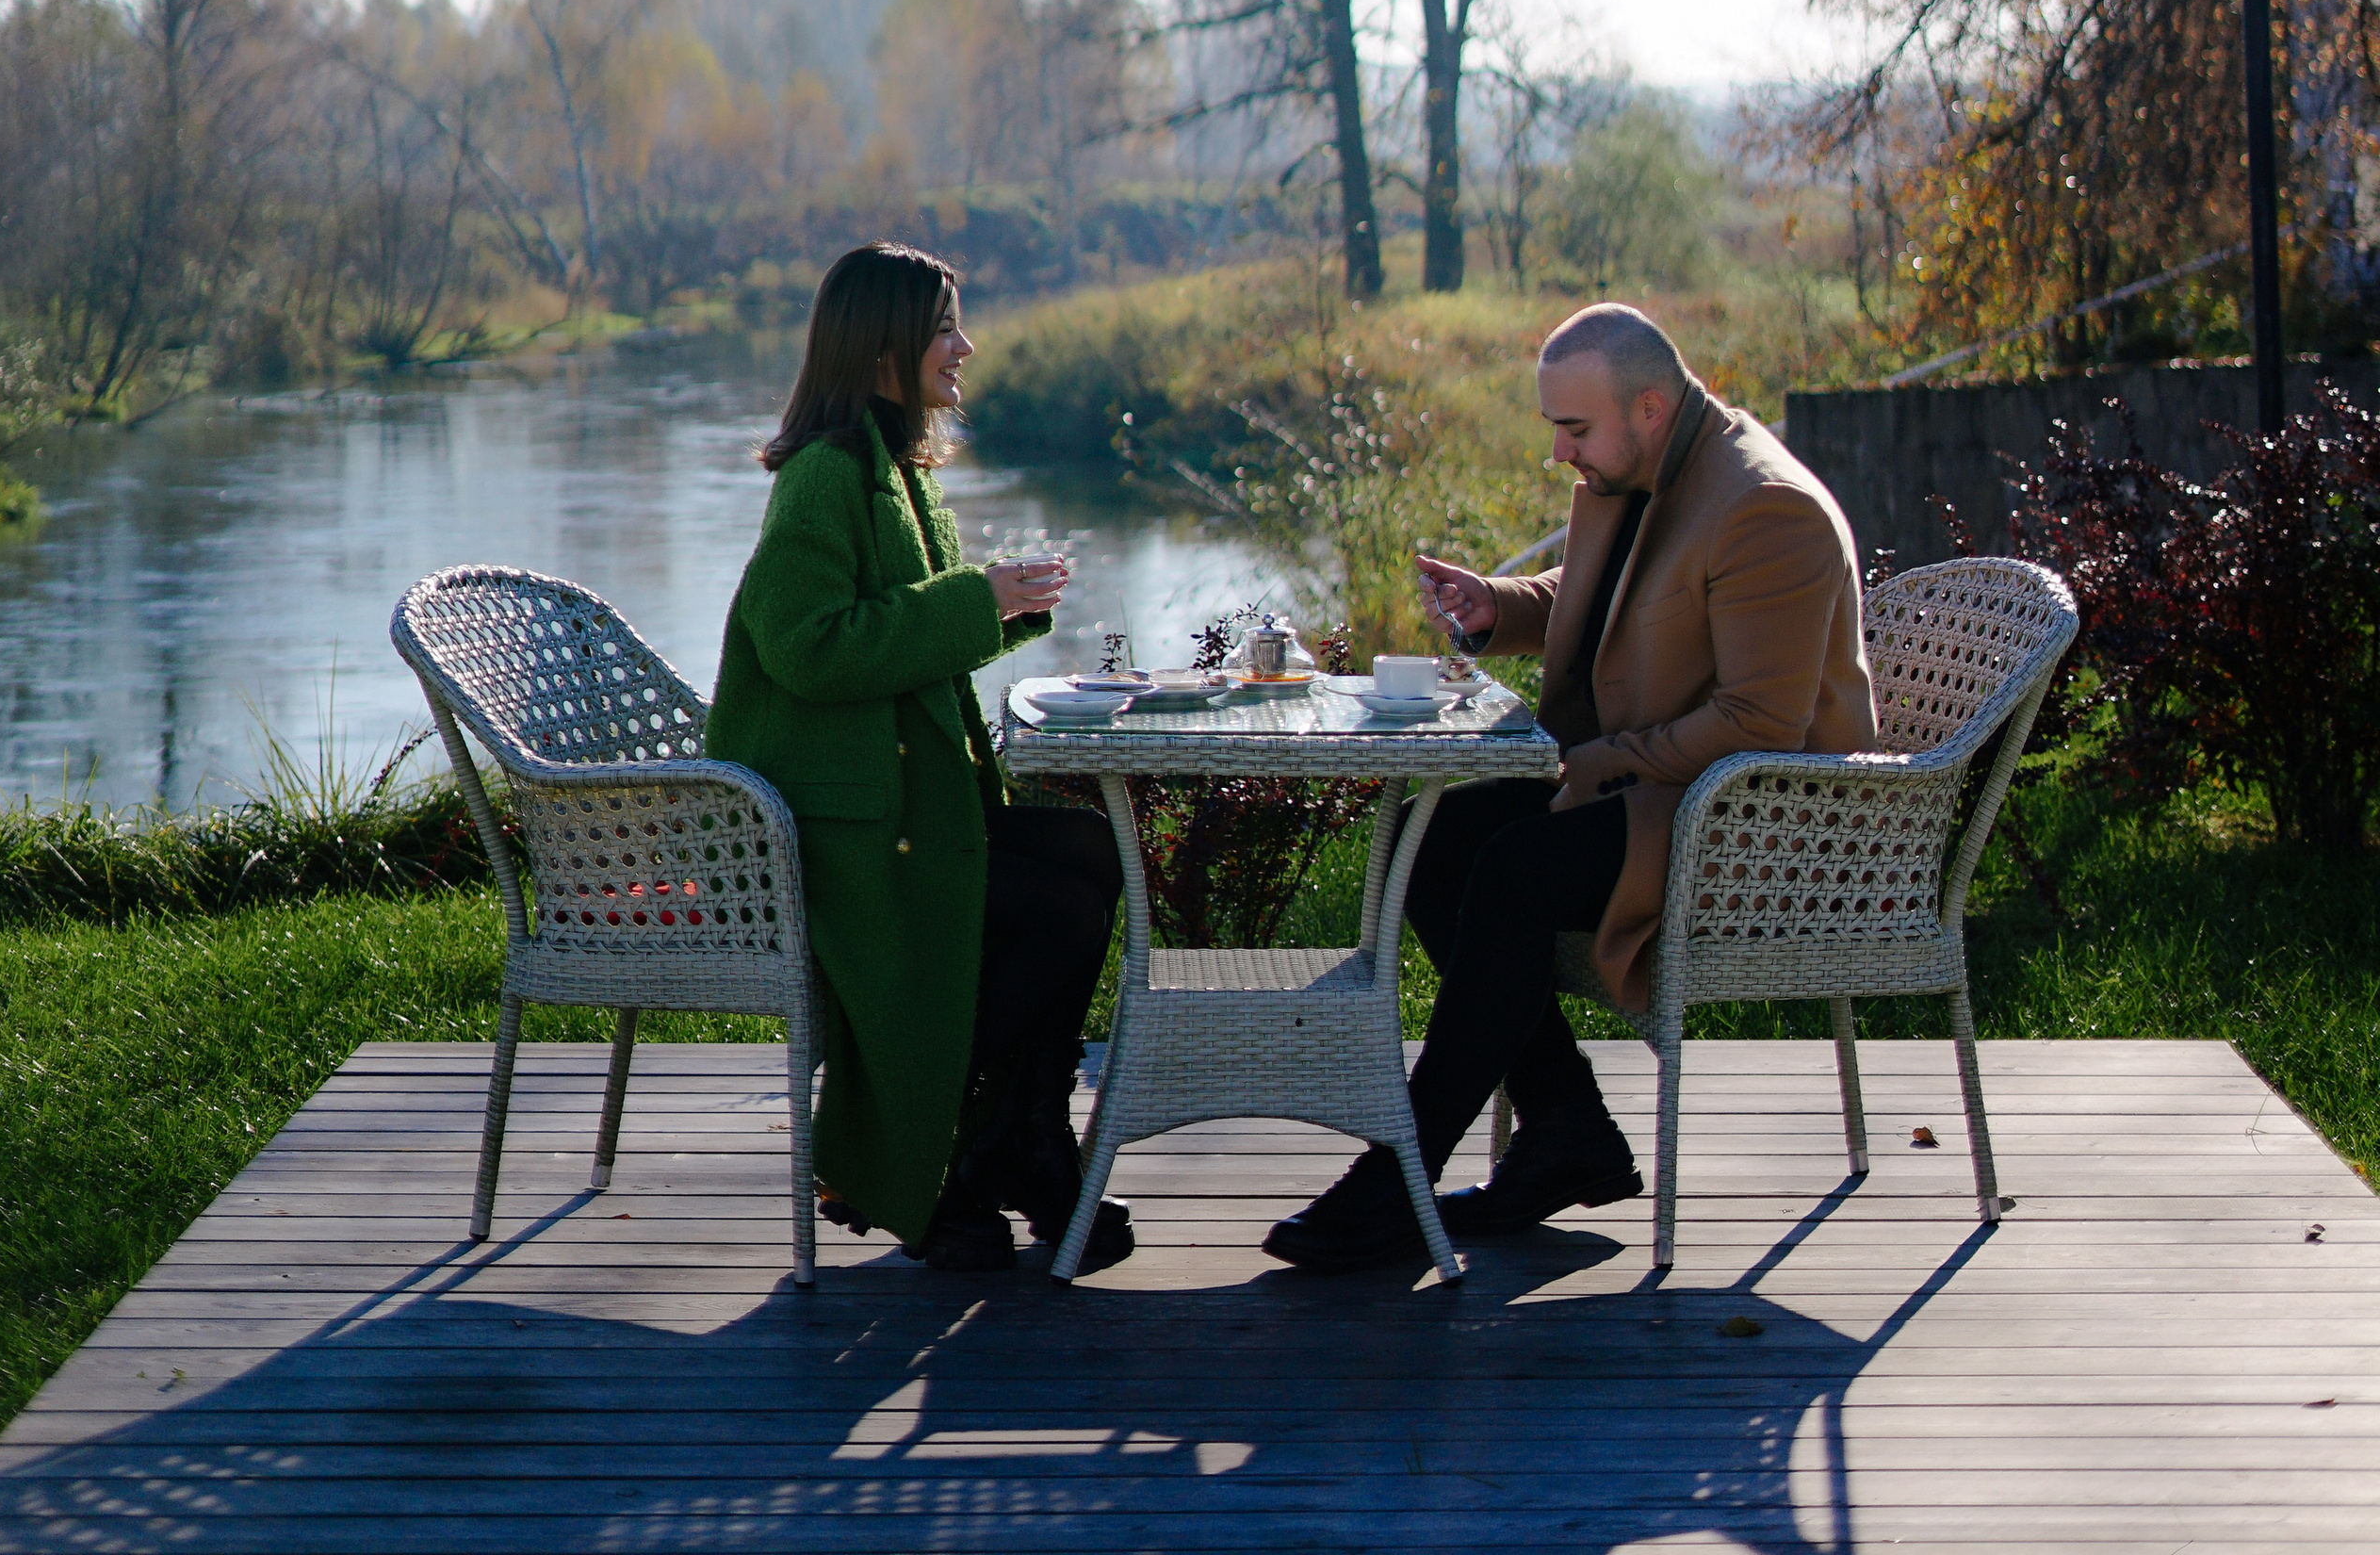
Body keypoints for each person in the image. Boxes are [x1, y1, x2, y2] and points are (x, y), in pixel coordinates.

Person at [1263, 301, 1875, 1270]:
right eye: (1554, 427)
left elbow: (1763, 724)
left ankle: (1396, 1181)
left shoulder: (1765, 508)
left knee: (1512, 868)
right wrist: (1495, 605)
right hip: (1665, 792)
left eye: (1572, 428)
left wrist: (1589, 765)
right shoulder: (1639, 467)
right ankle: (1564, 1132)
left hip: (1762, 826)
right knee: (1438, 840)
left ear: (1648, 407)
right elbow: (1621, 597)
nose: (1558, 453)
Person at [705, 238, 1134, 1272]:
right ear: (885, 349)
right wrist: (973, 601)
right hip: (842, 829)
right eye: (945, 327)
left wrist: (1001, 606)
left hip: (897, 806)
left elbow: (908, 624)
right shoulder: (823, 477)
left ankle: (1010, 1137)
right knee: (1055, 896)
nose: (964, 347)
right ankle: (927, 1155)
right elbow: (807, 648)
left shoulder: (894, 471)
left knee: (1089, 855)